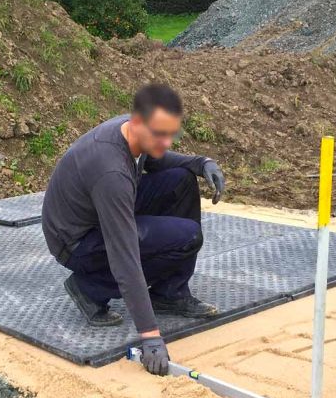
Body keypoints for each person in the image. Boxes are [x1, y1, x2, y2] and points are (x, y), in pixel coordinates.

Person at [41, 84, 226, 376]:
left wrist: (201, 164)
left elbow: (158, 158)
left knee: (181, 180)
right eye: (160, 134)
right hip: (77, 242)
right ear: (138, 122)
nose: (166, 142)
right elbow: (123, 254)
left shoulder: (129, 131)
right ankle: (90, 288)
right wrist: (150, 336)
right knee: (187, 236)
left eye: (171, 134)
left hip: (92, 215)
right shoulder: (111, 172)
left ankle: (169, 293)